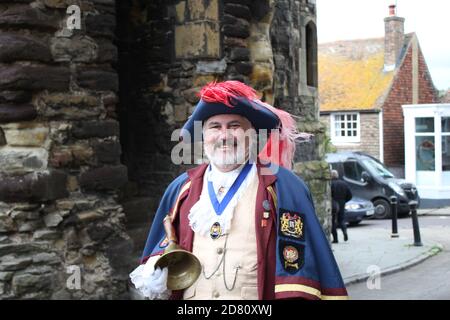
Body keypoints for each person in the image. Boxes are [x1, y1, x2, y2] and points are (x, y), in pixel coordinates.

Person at [130, 81, 348, 300]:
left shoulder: (284, 187)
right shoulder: (181, 189)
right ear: (204, 136)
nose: (224, 136)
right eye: (215, 127)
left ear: (251, 134)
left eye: (234, 126)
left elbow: (301, 264)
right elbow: (164, 250)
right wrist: (155, 271)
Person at [330, 170, 352, 243]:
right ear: (337, 175)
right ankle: (344, 232)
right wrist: (344, 201)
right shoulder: (344, 184)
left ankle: (335, 239)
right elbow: (350, 195)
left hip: (333, 204)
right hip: (342, 203)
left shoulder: (330, 184)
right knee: (341, 219)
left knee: (332, 221)